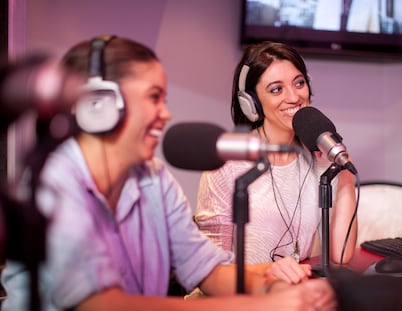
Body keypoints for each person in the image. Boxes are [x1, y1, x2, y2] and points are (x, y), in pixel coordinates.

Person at [0, 36, 336, 311]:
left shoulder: (155, 179)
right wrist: (262, 306)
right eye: (154, 98)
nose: (166, 113)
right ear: (98, 106)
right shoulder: (56, 182)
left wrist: (273, 285)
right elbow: (101, 304)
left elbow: (209, 270)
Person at [195, 41, 357, 283]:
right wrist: (267, 278)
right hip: (239, 297)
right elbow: (209, 275)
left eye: (299, 83)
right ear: (251, 102)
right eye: (276, 89)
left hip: (291, 293)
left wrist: (346, 175)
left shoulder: (319, 158)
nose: (294, 97)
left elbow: (341, 255)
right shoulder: (228, 164)